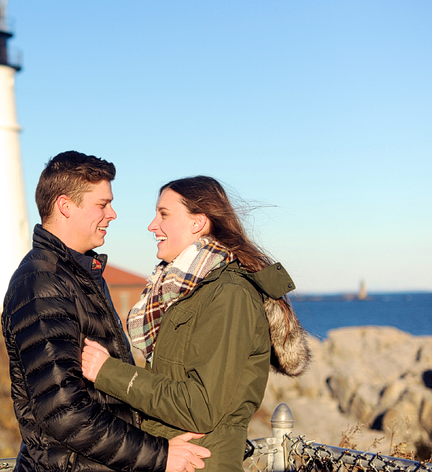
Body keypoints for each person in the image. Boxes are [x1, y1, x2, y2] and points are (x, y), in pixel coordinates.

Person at [81, 176, 311, 472]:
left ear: (198, 223)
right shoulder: (184, 291)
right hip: (175, 459)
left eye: (164, 214)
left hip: (204, 463)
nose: (152, 225)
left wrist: (107, 371)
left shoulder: (229, 293)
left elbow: (200, 407)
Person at [2, 152, 211, 472]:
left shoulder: (76, 275)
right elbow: (63, 412)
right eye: (102, 204)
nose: (112, 214)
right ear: (65, 206)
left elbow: (102, 400)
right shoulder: (41, 283)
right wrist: (160, 455)